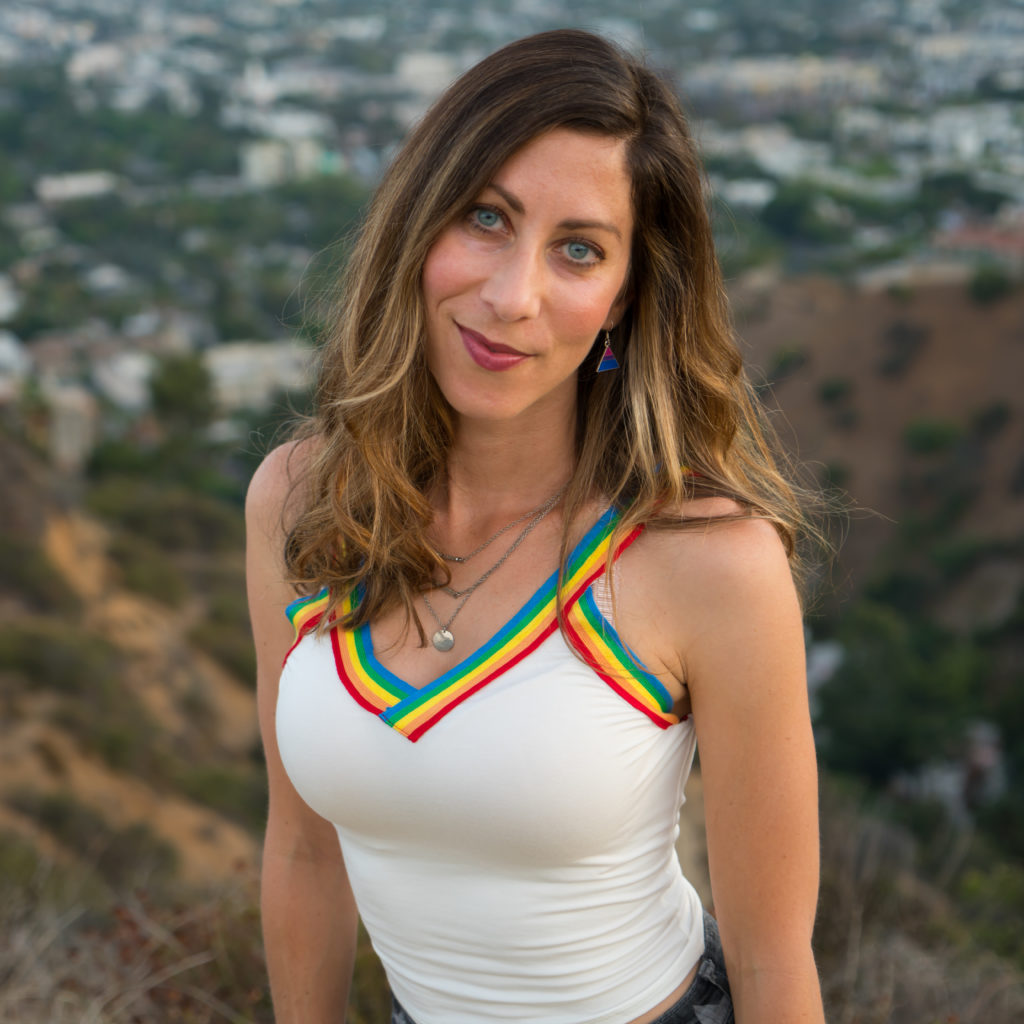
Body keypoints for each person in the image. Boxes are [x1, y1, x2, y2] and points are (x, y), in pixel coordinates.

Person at [246, 28, 825, 1024]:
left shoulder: (708, 559)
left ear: (623, 296)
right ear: (417, 224)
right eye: (484, 217)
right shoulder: (304, 504)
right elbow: (303, 851)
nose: (512, 297)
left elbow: (774, 964)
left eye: (578, 250)